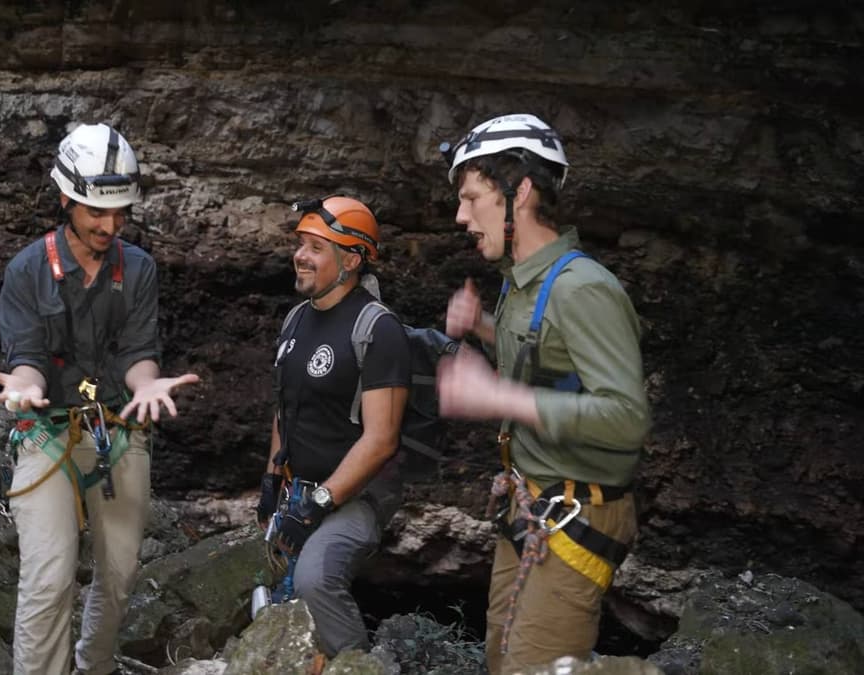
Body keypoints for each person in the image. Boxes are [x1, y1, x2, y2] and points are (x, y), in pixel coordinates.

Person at [0, 122, 199, 675]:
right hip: (46, 432)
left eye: (120, 212)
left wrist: (147, 384)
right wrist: (25, 386)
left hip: (118, 433)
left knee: (121, 572)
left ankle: (95, 665)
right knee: (50, 576)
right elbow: (25, 353)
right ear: (65, 198)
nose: (110, 224)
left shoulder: (139, 269)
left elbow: (138, 351)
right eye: (97, 212)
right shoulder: (28, 270)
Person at [435, 113, 650, 674]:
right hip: (531, 506)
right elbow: (551, 364)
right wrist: (484, 327)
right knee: (500, 657)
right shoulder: (521, 281)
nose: (461, 216)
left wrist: (497, 399)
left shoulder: (583, 289)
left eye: (472, 197)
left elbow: (626, 418)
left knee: (531, 666)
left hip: (576, 515)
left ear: (520, 191)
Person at [257, 196, 411, 657]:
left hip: (355, 496)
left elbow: (382, 439)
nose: (300, 255)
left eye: (316, 247)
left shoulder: (378, 330)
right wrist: (270, 481)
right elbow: (285, 409)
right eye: (300, 244)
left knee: (314, 578)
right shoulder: (295, 320)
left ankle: (355, 666)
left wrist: (318, 504)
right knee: (275, 583)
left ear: (351, 259)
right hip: (296, 489)